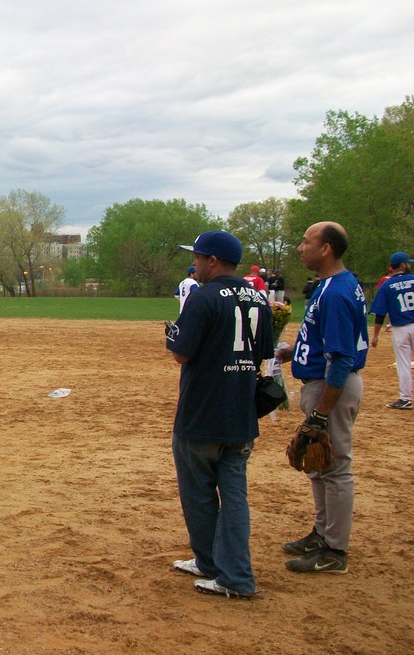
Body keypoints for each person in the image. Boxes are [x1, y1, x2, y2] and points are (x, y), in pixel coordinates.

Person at [165, 230, 272, 599]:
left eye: (197, 257)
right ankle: (234, 573)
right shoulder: (259, 299)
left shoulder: (204, 296)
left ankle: (215, 566)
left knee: (198, 493)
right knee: (234, 495)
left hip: (202, 413)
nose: (194, 263)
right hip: (241, 414)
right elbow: (263, 355)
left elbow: (181, 353)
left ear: (213, 261)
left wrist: (171, 338)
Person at [276, 221, 368, 575]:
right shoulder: (332, 286)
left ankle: (334, 550)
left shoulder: (337, 292)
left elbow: (341, 357)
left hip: (332, 387)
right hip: (321, 382)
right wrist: (291, 352)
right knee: (318, 464)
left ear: (326, 248)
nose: (301, 248)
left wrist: (321, 412)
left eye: (306, 241)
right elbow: (322, 339)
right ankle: (322, 533)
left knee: (335, 465)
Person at [370, 251, 414, 410]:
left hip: (400, 329)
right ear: (403, 265)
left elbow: (380, 313)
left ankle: (405, 398)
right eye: (407, 262)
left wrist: (375, 336)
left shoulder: (387, 285)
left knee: (403, 364)